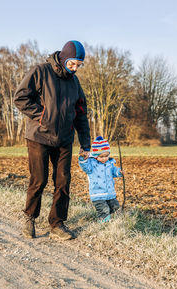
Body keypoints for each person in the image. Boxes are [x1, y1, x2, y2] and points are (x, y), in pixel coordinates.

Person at [14, 40, 91, 240]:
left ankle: (57, 224)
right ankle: (30, 217)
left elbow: (81, 113)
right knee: (39, 180)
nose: (75, 68)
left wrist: (86, 144)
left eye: (79, 65)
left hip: (64, 138)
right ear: (64, 59)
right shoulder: (41, 71)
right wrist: (42, 116)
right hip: (39, 136)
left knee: (63, 182)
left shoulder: (74, 82)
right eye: (73, 63)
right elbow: (20, 98)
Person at [78, 136, 123, 223]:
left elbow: (113, 171)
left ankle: (112, 220)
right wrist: (83, 159)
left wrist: (119, 172)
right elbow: (85, 166)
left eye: (106, 156)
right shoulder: (91, 165)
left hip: (110, 193)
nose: (104, 158)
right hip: (97, 194)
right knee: (104, 210)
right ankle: (103, 223)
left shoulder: (109, 163)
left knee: (115, 206)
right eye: (101, 156)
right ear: (95, 156)